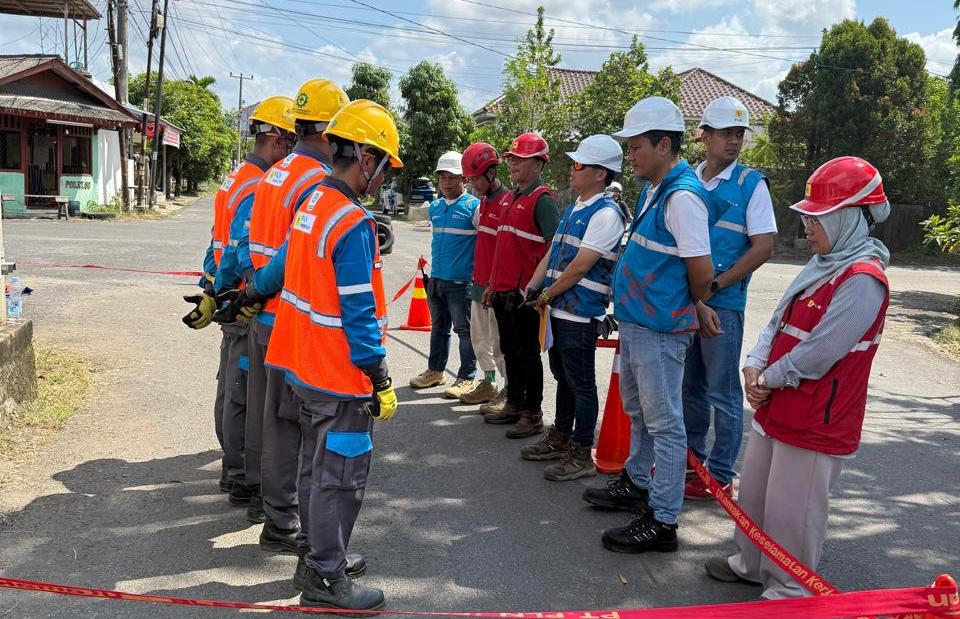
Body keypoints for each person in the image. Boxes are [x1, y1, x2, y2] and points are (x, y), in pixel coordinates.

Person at [704, 156, 891, 600]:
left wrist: (767, 377)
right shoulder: (823, 263)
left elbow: (822, 350)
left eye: (817, 217)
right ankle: (750, 564)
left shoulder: (864, 279)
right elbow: (777, 322)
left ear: (848, 217)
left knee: (795, 509)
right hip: (780, 404)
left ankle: (791, 589)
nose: (807, 226)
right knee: (756, 496)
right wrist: (754, 362)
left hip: (816, 418)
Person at [263, 99, 401, 611]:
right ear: (365, 157)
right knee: (339, 478)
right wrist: (379, 375)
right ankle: (325, 576)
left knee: (311, 467)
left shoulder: (313, 205)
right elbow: (359, 312)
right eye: (383, 165)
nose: (383, 178)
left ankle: (316, 554)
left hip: (302, 368)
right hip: (337, 374)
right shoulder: (351, 223)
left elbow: (288, 277)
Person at [212, 80, 357, 566]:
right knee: (299, 429)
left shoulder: (274, 175)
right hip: (291, 315)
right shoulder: (315, 181)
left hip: (264, 311)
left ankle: (266, 504)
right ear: (331, 131)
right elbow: (298, 252)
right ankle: (285, 521)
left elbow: (244, 241)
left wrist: (236, 288)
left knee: (266, 416)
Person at [582, 97, 715, 553]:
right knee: (641, 414)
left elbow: (701, 271)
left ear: (663, 144)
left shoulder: (682, 197)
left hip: (661, 328)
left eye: (637, 146)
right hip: (640, 323)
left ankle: (663, 520)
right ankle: (638, 483)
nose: (631, 155)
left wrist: (694, 304)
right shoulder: (654, 188)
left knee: (665, 424)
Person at [182, 96, 294, 509]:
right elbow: (241, 248)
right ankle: (243, 475)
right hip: (246, 298)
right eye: (291, 142)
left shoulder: (236, 178)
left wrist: (211, 287)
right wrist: (240, 292)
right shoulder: (257, 184)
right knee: (244, 392)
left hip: (229, 291)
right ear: (279, 140)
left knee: (231, 384)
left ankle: (234, 469)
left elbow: (218, 241)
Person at [683, 96, 776, 501]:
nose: (734, 141)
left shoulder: (751, 184)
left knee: (721, 389)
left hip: (722, 303)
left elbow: (763, 246)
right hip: (683, 301)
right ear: (704, 135)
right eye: (726, 133)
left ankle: (719, 473)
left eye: (739, 134)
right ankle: (693, 464)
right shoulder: (686, 177)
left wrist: (716, 287)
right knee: (690, 388)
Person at [522, 135, 625, 481]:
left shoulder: (607, 213)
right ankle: (561, 436)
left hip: (580, 314)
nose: (571, 169)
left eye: (579, 165)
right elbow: (553, 254)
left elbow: (581, 265)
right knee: (563, 378)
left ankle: (581, 449)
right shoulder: (575, 207)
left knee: (581, 383)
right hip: (557, 311)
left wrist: (547, 294)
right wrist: (535, 285)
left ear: (600, 173)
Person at [481, 132, 561, 438]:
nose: (513, 163)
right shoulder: (511, 198)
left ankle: (533, 412)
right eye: (512, 158)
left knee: (527, 353)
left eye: (521, 159)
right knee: (509, 349)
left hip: (525, 294)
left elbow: (555, 246)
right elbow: (504, 248)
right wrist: (491, 284)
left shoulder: (542, 200)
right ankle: (514, 403)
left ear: (539, 164)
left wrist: (535, 286)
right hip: (502, 291)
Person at [409, 151, 480, 397]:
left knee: (465, 332)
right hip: (437, 279)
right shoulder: (436, 208)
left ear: (464, 180)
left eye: (452, 177)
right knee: (439, 328)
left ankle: (466, 377)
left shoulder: (474, 208)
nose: (447, 182)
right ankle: (435, 371)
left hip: (462, 283)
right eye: (443, 177)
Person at [458, 142, 511, 408]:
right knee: (480, 339)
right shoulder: (482, 205)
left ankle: (508, 389)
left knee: (500, 342)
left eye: (475, 178)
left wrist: (496, 281)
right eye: (469, 179)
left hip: (498, 288)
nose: (472, 184)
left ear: (491, 173)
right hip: (478, 285)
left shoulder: (507, 203)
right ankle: (488, 382)